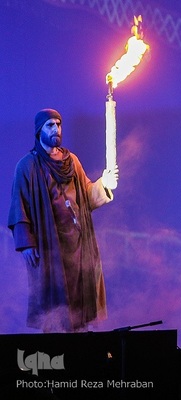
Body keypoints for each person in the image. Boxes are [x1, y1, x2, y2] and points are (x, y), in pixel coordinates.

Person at [8, 108, 119, 333]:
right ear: (39, 130)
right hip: (49, 245)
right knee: (54, 301)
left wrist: (103, 183)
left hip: (77, 243)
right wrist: (27, 243)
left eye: (58, 124)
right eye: (50, 125)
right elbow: (19, 206)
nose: (56, 129)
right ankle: (57, 351)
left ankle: (80, 344)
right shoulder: (27, 166)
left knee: (79, 297)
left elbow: (86, 195)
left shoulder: (72, 161)